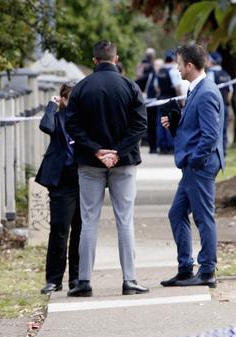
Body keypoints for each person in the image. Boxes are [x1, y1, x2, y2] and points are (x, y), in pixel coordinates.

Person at [65, 40, 149, 297]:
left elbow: (72, 125)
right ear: (116, 58)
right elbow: (140, 124)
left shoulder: (81, 88)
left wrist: (96, 150)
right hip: (123, 163)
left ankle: (84, 281)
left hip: (90, 162)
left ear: (94, 61)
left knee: (89, 220)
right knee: (125, 220)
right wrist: (118, 151)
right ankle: (130, 280)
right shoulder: (129, 86)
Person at [160, 44, 224, 289]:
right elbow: (196, 129)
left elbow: (209, 135)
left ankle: (207, 270)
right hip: (193, 166)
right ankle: (185, 269)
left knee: (203, 217)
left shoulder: (206, 92)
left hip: (200, 166)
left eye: (178, 63)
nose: (176, 68)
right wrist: (176, 123)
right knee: (176, 213)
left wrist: (195, 160)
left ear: (189, 65)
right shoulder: (196, 90)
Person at [35, 82, 81, 295]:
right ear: (62, 99)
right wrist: (51, 107)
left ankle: (77, 277)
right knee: (60, 230)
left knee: (81, 230)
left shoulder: (84, 117)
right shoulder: (57, 116)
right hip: (61, 181)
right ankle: (54, 279)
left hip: (84, 178)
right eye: (69, 98)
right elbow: (47, 127)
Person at [154, 50, 184, 154]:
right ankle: (171, 147)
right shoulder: (173, 71)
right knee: (170, 122)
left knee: (160, 123)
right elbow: (177, 87)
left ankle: (162, 147)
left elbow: (156, 87)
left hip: (161, 99)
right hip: (171, 99)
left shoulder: (160, 71)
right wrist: (180, 100)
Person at [206, 52, 232, 155]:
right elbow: (230, 91)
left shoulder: (211, 74)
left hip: (213, 107)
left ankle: (215, 151)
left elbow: (208, 90)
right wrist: (227, 103)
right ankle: (223, 150)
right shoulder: (226, 74)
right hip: (224, 105)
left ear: (212, 61)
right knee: (223, 128)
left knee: (212, 129)